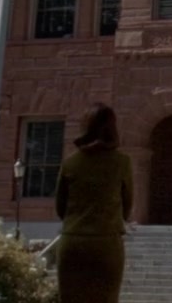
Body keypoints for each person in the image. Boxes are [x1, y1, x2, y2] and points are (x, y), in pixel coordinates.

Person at [55, 102, 134, 303]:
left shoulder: (70, 163)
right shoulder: (121, 162)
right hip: (106, 243)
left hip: (73, 242)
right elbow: (127, 206)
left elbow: (60, 207)